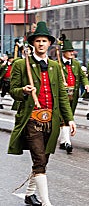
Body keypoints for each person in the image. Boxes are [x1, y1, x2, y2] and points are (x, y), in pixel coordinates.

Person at [8, 21, 76, 206]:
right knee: (39, 158)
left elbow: (62, 95)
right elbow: (11, 90)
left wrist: (69, 119)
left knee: (43, 161)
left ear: (49, 44)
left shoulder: (54, 66)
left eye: (44, 41)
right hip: (32, 120)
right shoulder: (22, 64)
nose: (41, 44)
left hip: (51, 121)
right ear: (33, 43)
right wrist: (23, 90)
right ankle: (46, 203)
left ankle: (30, 194)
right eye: (38, 41)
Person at [58, 39, 89, 154]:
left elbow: (82, 76)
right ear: (63, 52)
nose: (72, 53)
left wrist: (86, 84)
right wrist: (61, 83)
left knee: (69, 116)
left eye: (72, 51)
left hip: (73, 95)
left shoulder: (76, 63)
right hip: (62, 96)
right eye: (69, 51)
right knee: (65, 117)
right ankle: (67, 142)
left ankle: (63, 140)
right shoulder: (57, 64)